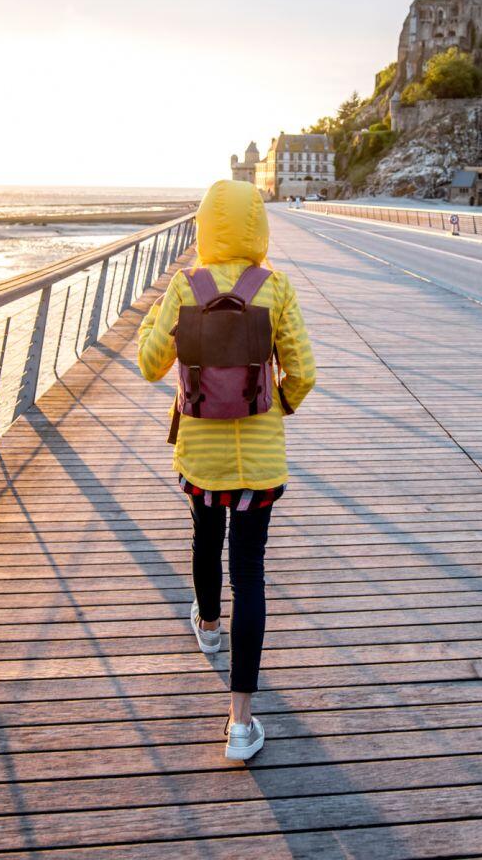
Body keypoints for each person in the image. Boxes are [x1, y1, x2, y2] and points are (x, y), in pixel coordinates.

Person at [137, 180, 315, 761]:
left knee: (204, 536)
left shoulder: (187, 285)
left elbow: (148, 365)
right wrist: (277, 408)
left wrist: (151, 325)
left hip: (200, 454)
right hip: (259, 462)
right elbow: (303, 372)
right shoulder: (277, 287)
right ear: (259, 225)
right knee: (251, 571)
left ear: (203, 228)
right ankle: (241, 723)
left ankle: (208, 627)